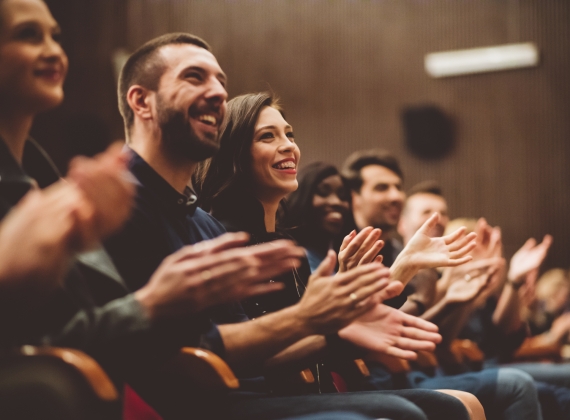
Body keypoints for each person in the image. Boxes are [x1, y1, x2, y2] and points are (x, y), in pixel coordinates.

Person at [103, 34, 477, 420]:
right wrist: (324, 318)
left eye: (220, 81)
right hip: (194, 406)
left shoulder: (203, 225)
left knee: (441, 407)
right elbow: (169, 360)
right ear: (141, 101)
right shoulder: (122, 206)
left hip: (239, 395)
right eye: (195, 77)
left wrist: (338, 317)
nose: (216, 92)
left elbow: (251, 351)